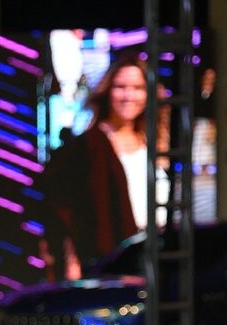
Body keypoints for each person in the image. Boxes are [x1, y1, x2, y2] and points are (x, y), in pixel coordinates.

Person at [38, 53, 170, 280]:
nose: (129, 95)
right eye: (121, 87)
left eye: (138, 88)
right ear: (108, 91)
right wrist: (71, 260)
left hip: (158, 253)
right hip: (111, 260)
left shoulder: (156, 142)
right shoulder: (88, 145)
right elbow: (62, 208)